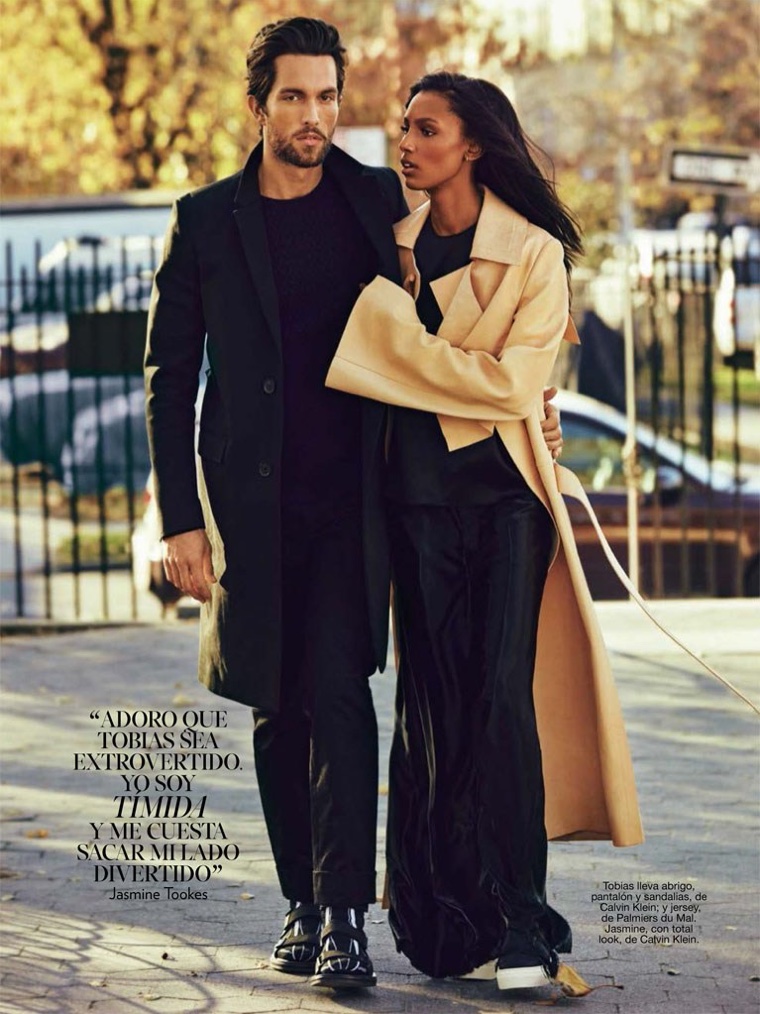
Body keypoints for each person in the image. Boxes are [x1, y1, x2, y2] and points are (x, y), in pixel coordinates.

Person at [145, 21, 562, 991]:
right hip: (247, 512)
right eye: (293, 98)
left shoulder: (374, 204)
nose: (314, 116)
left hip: (358, 506)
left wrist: (533, 390)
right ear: (257, 108)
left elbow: (461, 290)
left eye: (328, 97)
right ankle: (299, 901)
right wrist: (180, 521)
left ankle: (342, 918)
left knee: (340, 695)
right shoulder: (204, 219)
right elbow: (169, 378)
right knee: (272, 704)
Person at [326, 72, 643, 991]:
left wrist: (394, 349)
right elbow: (456, 376)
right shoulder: (389, 247)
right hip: (415, 501)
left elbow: (511, 390)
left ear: (473, 145)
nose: (407, 142)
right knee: (432, 708)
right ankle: (444, 912)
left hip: (507, 500)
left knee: (500, 699)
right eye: (404, 127)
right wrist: (428, 360)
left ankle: (519, 924)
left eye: (427, 129)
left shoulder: (535, 254)